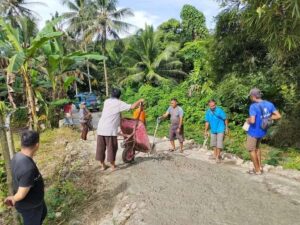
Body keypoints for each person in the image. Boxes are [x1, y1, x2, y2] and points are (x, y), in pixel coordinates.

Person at [4, 130, 47, 225]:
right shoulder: (27, 168)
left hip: (35, 201)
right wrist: (12, 199)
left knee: (43, 214)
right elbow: (20, 194)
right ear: (37, 145)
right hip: (30, 207)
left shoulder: (17, 156)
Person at [96, 88, 144, 171]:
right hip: (109, 130)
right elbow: (132, 106)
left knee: (100, 148)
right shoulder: (119, 103)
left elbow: (116, 112)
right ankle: (112, 166)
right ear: (119, 95)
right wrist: (140, 100)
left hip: (100, 129)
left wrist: (120, 117)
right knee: (112, 148)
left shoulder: (106, 101)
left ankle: (102, 166)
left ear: (111, 95)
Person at [246, 88, 281, 175]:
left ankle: (257, 170)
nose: (250, 97)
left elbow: (253, 121)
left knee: (251, 150)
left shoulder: (253, 106)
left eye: (250, 96)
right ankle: (260, 167)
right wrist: (268, 117)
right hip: (262, 131)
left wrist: (248, 120)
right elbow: (278, 116)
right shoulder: (269, 104)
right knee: (257, 148)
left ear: (253, 96)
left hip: (253, 132)